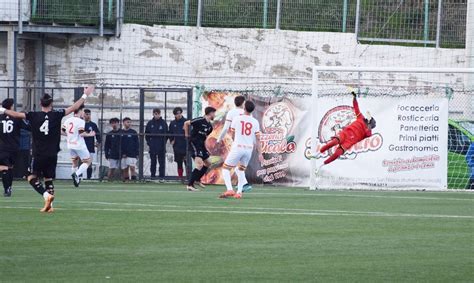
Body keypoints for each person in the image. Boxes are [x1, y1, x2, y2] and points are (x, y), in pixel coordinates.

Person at [0, 86, 94, 212]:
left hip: (38, 153)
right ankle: (50, 206)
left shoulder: (33, 115)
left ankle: (46, 196)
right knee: (48, 178)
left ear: (40, 104)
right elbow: (74, 107)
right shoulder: (57, 114)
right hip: (53, 153)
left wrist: (1, 109)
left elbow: (15, 114)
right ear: (52, 103)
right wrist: (85, 95)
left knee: (30, 177)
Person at [316, 91, 376, 173]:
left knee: (337, 154)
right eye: (370, 122)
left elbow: (369, 133)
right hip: (344, 134)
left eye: (370, 123)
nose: (369, 123)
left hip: (348, 143)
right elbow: (356, 108)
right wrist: (354, 98)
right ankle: (317, 153)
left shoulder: (368, 132)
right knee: (333, 142)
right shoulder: (361, 118)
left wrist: (369, 124)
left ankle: (321, 165)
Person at [219, 101, 263, 199]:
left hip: (238, 147)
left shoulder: (236, 119)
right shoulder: (255, 121)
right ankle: (239, 192)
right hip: (248, 149)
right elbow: (258, 139)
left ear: (244, 107)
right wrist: (260, 153)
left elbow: (233, 135)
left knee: (226, 168)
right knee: (241, 170)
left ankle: (230, 189)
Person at [216, 95, 252, 192]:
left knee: (228, 166)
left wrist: (219, 139)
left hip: (236, 142)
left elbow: (226, 128)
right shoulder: (248, 114)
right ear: (243, 103)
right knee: (238, 166)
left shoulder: (232, 112)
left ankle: (235, 188)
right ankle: (243, 185)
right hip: (247, 144)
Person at [0, 98, 29, 197]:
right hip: (14, 147)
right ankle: (9, 188)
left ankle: (6, 189)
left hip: (2, 146)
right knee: (10, 167)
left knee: (4, 168)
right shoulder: (17, 118)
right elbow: (28, 127)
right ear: (11, 106)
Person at [183, 106, 216, 191]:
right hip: (194, 144)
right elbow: (186, 123)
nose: (214, 115)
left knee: (208, 163)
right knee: (200, 164)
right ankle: (190, 185)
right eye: (214, 113)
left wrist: (205, 148)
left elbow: (204, 137)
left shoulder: (210, 127)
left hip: (201, 146)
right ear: (210, 113)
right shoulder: (199, 120)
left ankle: (197, 179)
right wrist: (186, 135)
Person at [62, 105, 96, 187]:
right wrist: (90, 134)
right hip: (79, 145)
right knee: (88, 161)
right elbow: (82, 133)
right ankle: (76, 174)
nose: (83, 113)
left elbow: (61, 131)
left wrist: (70, 136)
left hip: (70, 145)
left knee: (75, 163)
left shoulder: (68, 120)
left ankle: (76, 181)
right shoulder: (80, 121)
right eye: (83, 111)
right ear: (80, 111)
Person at [145, 108, 168, 181]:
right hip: (153, 146)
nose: (157, 115)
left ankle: (161, 177)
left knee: (161, 162)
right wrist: (149, 143)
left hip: (161, 146)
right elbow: (147, 134)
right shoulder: (150, 123)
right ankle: (153, 176)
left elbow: (166, 134)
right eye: (155, 114)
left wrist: (163, 143)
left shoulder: (163, 123)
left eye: (158, 113)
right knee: (153, 162)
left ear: (160, 114)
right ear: (153, 114)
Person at [168, 107, 187, 182]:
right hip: (177, 146)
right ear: (174, 115)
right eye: (177, 114)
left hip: (185, 145)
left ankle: (188, 177)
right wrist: (171, 140)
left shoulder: (186, 121)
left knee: (187, 162)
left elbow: (190, 131)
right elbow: (170, 133)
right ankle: (180, 177)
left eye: (180, 113)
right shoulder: (172, 123)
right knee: (179, 162)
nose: (179, 115)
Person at [83, 108, 101, 179]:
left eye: (89, 114)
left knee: (89, 163)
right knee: (81, 162)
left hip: (90, 146)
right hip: (81, 146)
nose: (88, 116)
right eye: (86, 114)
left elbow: (98, 135)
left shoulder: (93, 125)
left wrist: (98, 142)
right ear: (83, 115)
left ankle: (88, 178)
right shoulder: (80, 123)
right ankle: (79, 177)